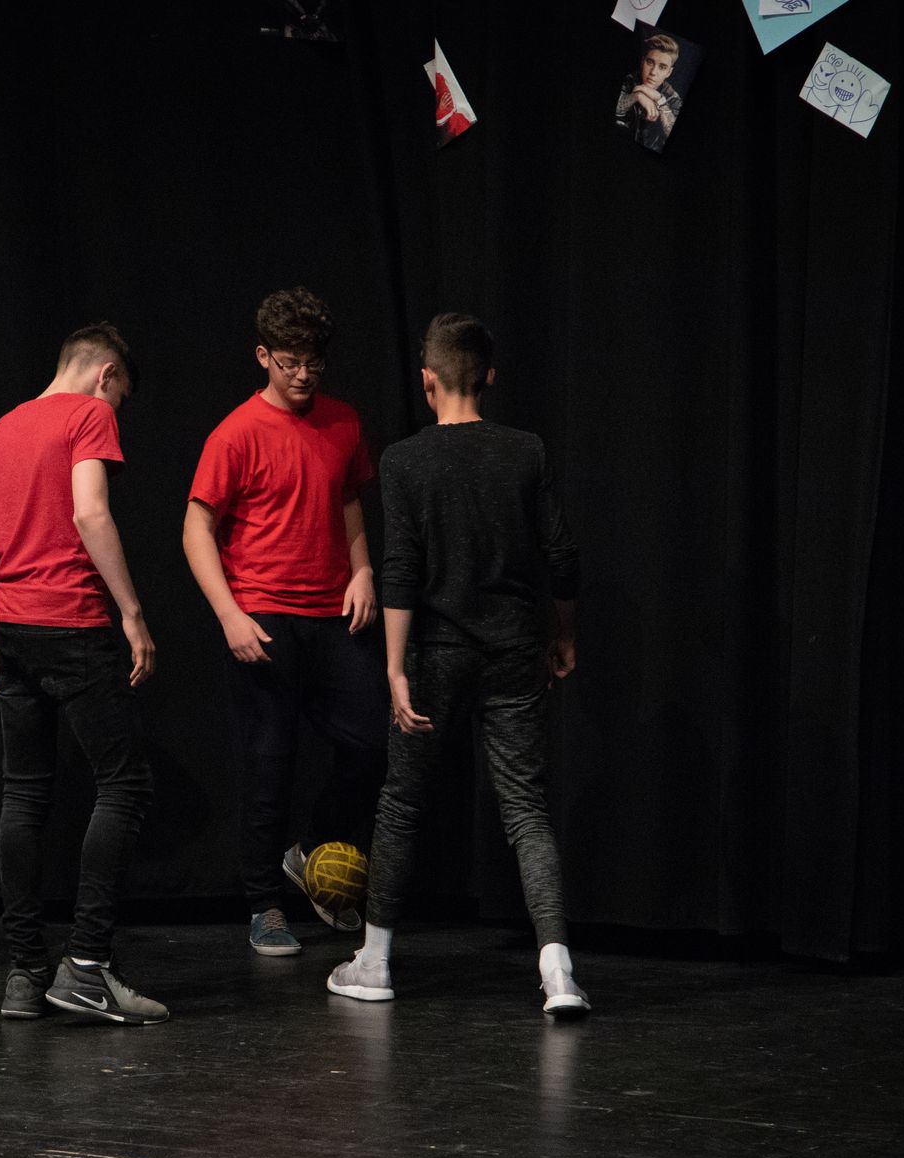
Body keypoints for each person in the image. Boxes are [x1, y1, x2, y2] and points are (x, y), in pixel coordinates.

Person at [325, 314, 588, 1016]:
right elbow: (562, 554)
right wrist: (563, 633)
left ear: (427, 380)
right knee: (526, 809)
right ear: (490, 376)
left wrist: (394, 668)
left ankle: (374, 962)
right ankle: (559, 973)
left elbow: (401, 569)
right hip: (513, 651)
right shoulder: (525, 450)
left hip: (436, 654)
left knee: (402, 802)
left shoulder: (405, 460)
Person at [0, 324, 167, 1025]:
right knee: (125, 783)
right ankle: (87, 965)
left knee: (25, 792)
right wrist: (132, 612)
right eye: (119, 397)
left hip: (10, 628)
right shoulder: (88, 413)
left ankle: (24, 972)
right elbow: (90, 512)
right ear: (105, 375)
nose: (115, 412)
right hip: (72, 623)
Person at [184, 287, 384, 956]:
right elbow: (196, 528)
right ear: (263, 356)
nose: (303, 374)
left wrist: (363, 570)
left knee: (372, 744)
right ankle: (264, 905)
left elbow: (349, 500)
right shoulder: (236, 432)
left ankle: (310, 851)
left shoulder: (342, 421)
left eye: (313, 363)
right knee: (269, 762)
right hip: (263, 614)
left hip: (332, 613)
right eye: (290, 362)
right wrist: (230, 615)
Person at [615, 32, 683, 152]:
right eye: (650, 62)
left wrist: (660, 100)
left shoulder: (672, 96)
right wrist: (637, 96)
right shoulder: (628, 80)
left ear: (669, 72)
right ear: (643, 61)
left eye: (662, 67)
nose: (653, 72)